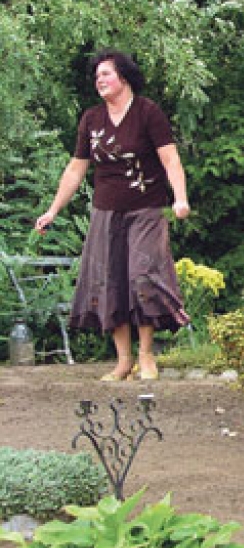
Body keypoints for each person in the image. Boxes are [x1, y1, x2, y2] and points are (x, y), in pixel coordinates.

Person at [35, 49, 191, 382]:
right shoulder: (91, 119)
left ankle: (147, 357)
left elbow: (170, 160)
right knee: (110, 282)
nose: (99, 81)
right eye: (96, 77)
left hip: (146, 209)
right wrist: (53, 209)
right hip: (106, 213)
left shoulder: (148, 113)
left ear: (123, 76)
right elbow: (76, 170)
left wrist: (180, 198)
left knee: (143, 276)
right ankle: (123, 361)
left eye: (106, 74)